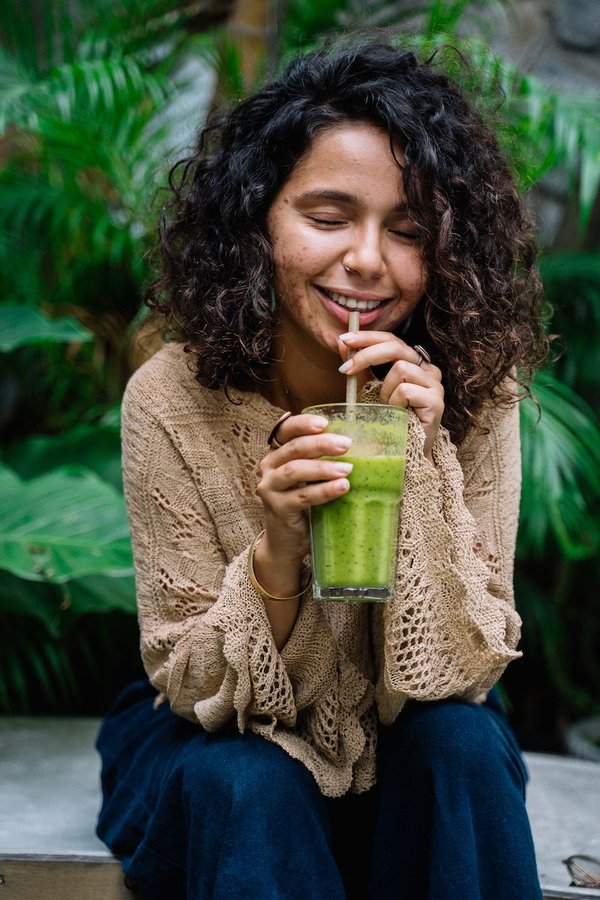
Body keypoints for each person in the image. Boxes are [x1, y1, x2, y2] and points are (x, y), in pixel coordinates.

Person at [96, 37, 548, 900]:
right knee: (251, 781)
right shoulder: (173, 398)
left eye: (408, 230)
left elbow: (468, 672)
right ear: (257, 219)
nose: (368, 259)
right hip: (216, 733)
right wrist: (277, 553)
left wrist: (422, 459)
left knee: (459, 746)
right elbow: (191, 686)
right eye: (329, 217)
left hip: (404, 731)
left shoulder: (475, 391)